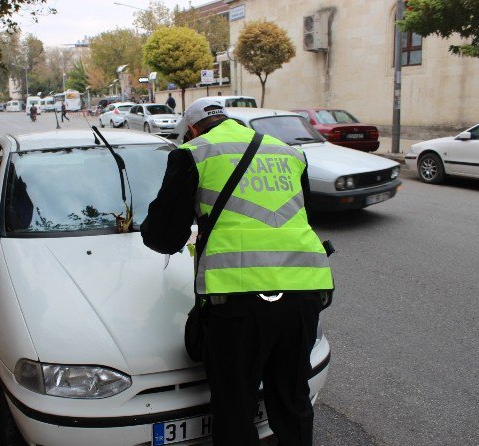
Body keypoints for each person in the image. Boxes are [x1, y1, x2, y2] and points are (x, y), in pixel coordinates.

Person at [140, 98, 334, 446]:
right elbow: (300, 217)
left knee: (235, 406)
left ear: (193, 129)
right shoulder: (288, 153)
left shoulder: (193, 153)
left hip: (236, 301)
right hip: (305, 290)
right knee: (292, 400)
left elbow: (164, 237)